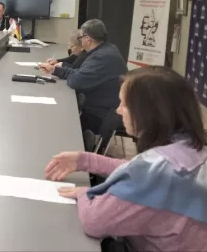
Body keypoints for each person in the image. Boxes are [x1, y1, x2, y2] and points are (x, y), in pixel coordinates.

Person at [45, 67, 207, 251]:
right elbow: (139, 169)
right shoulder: (192, 150)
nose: (118, 110)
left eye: (124, 104)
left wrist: (83, 193)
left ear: (148, 113)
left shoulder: (153, 175)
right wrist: (84, 160)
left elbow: (93, 221)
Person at [39, 19, 126, 134]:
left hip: (101, 114)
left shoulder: (100, 57)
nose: (81, 41)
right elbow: (80, 72)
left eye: (81, 38)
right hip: (105, 107)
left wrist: (59, 71)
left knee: (60, 123)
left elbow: (76, 81)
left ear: (88, 39)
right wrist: (55, 70)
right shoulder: (108, 49)